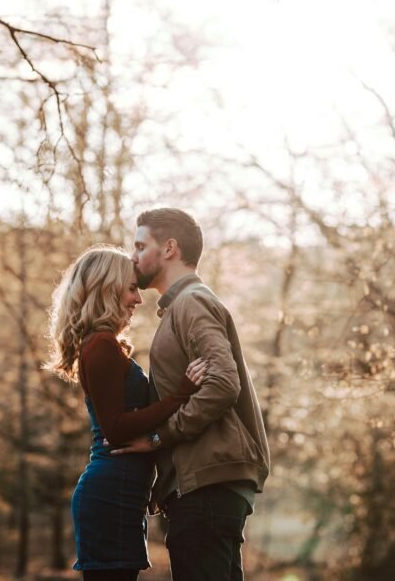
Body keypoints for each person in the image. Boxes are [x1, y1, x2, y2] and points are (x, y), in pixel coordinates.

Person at [112, 207, 270, 581]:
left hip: (206, 488)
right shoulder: (177, 309)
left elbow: (222, 383)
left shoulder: (192, 302)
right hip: (203, 488)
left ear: (169, 248)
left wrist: (159, 437)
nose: (133, 257)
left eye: (140, 246)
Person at [47, 245, 209, 581]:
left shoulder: (103, 344)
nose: (138, 299)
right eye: (131, 288)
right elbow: (116, 429)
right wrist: (181, 394)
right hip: (110, 493)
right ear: (107, 289)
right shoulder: (101, 346)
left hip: (122, 491)